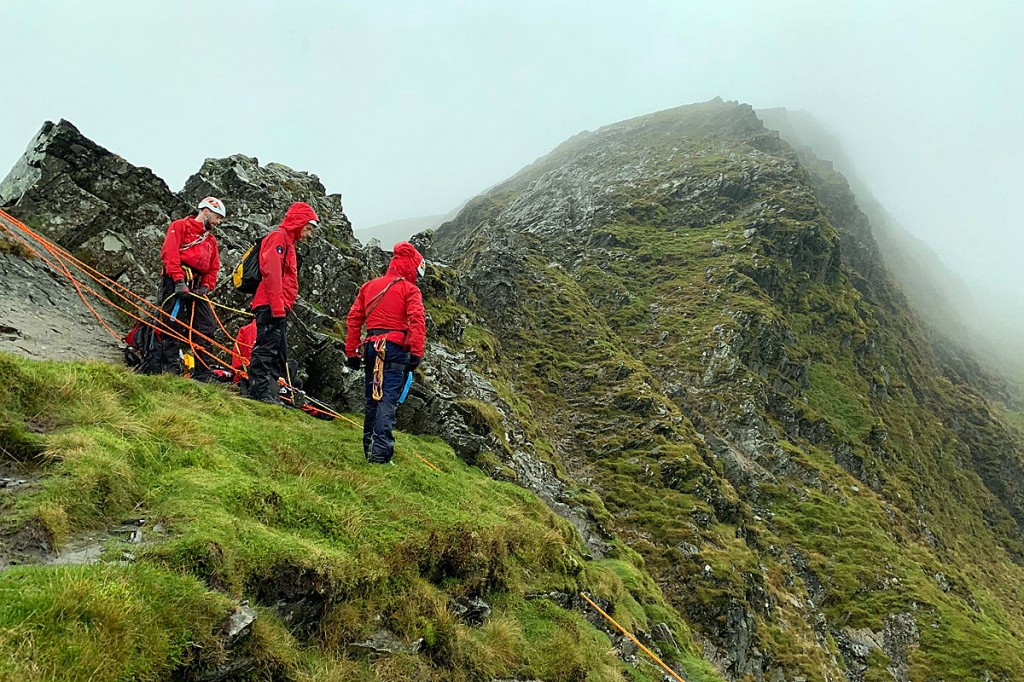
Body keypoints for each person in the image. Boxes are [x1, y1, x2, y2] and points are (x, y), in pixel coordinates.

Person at [344, 241, 426, 464]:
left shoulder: (369, 286)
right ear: (411, 266)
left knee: (372, 399)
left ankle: (369, 449)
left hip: (371, 347)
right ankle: (380, 455)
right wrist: (416, 352)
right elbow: (417, 320)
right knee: (387, 400)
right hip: (394, 349)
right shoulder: (410, 290)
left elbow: (354, 319)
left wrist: (352, 350)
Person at [143, 197, 225, 381]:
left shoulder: (211, 241)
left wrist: (205, 287)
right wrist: (179, 280)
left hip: (196, 285)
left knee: (205, 327)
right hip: (174, 280)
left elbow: (213, 267)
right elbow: (169, 253)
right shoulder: (180, 226)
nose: (217, 222)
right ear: (206, 212)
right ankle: (168, 367)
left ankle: (203, 371)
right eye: (217, 217)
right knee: (172, 323)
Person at [248, 201, 320, 404]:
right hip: (271, 305)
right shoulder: (279, 239)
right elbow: (271, 274)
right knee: (266, 348)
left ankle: (271, 392)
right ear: (298, 223)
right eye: (307, 228)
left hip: (277, 306)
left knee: (277, 352)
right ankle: (260, 392)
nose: (308, 235)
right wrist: (278, 307)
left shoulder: (287, 242)